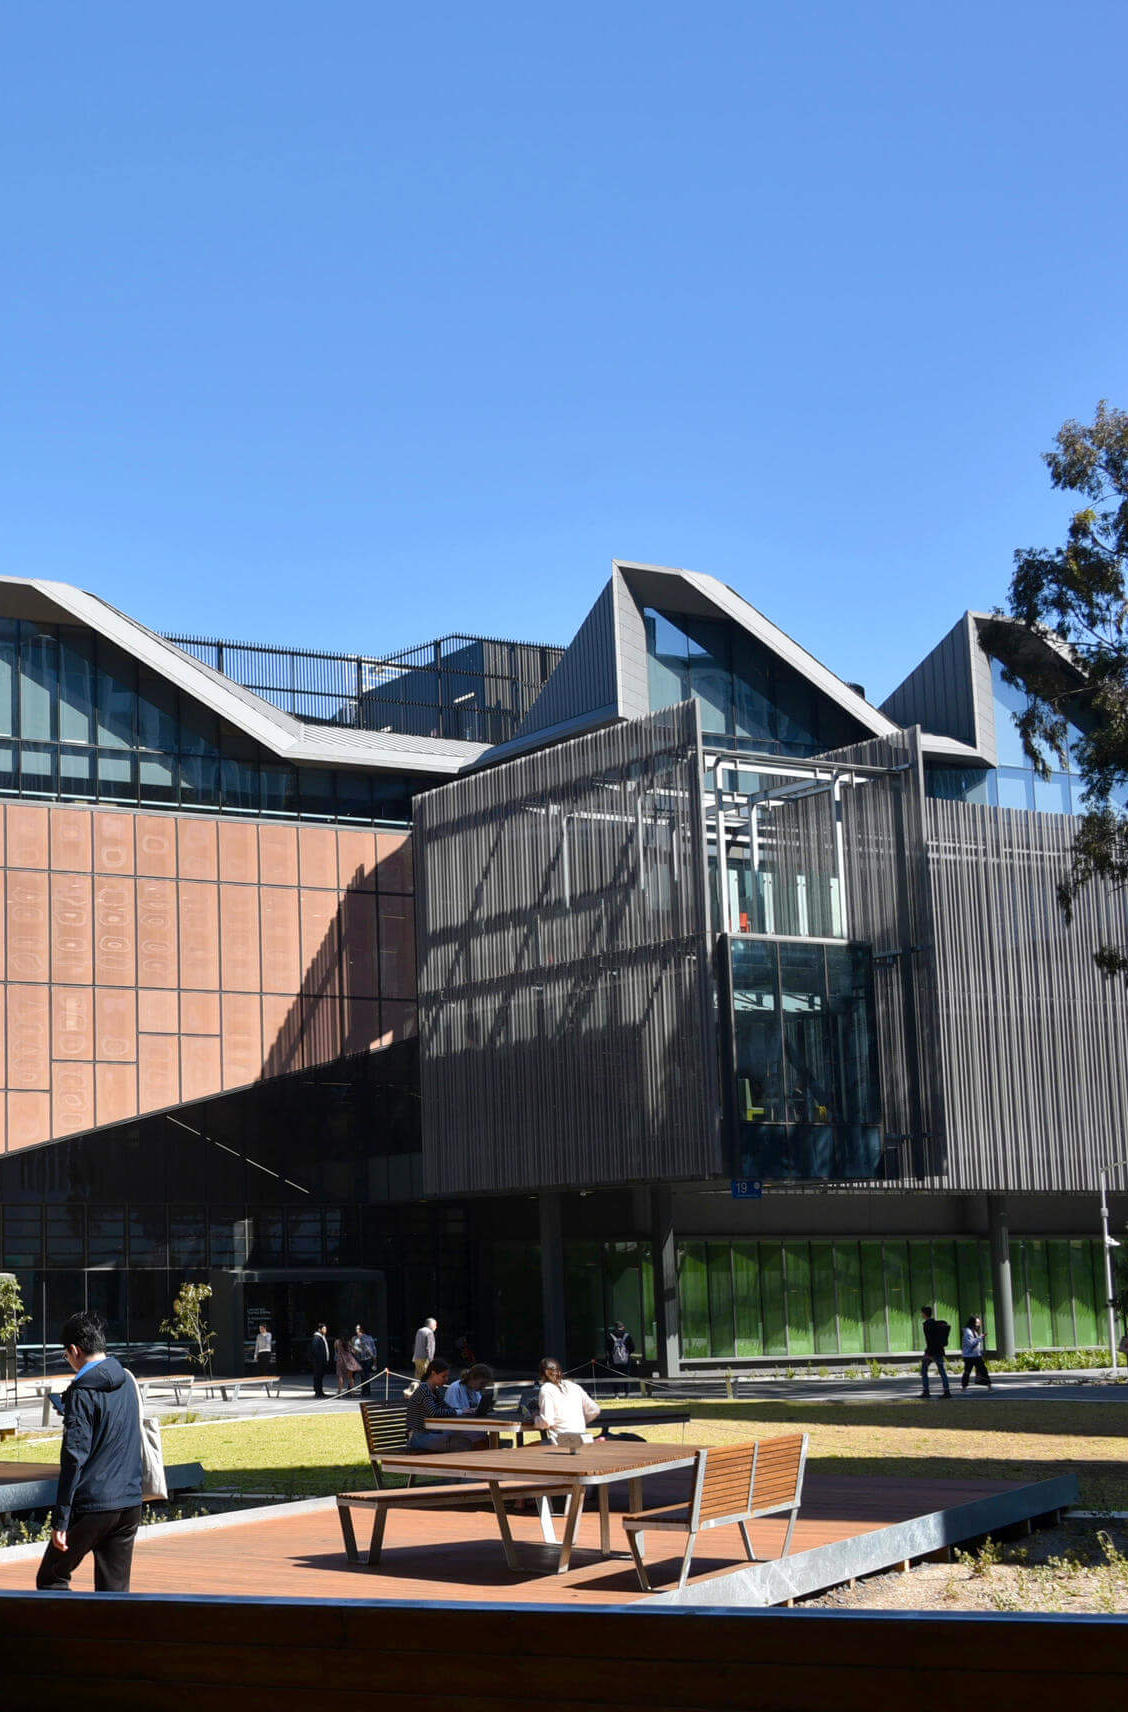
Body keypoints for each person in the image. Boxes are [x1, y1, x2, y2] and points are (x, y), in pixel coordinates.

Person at [35, 1310, 143, 1593]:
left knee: (51, 1579)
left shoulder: (81, 1392)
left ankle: (66, 1637)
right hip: (129, 1503)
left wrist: (61, 1520)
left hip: (94, 1504)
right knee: (115, 1591)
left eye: (66, 1355)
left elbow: (74, 1458)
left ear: (74, 1350)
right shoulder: (128, 1380)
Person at [405, 1359, 486, 1451]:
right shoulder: (424, 1389)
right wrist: (459, 1411)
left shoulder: (434, 1390)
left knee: (469, 1441)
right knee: (465, 1443)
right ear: (433, 1373)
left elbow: (446, 1407)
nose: (446, 1380)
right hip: (419, 1437)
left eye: (447, 1376)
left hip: (429, 1434)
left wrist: (465, 1411)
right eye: (443, 1376)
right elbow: (434, 1412)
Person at [535, 1356, 600, 1443]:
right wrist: (579, 1421)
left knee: (526, 1448)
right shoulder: (574, 1386)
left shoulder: (546, 1389)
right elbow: (594, 1409)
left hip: (561, 1441)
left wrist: (535, 1418)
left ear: (542, 1375)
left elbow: (547, 1422)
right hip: (581, 1438)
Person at [919, 1304, 952, 1398]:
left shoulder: (927, 1325)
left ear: (924, 1314)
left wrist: (928, 1353)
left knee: (924, 1370)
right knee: (942, 1371)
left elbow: (930, 1340)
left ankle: (926, 1391)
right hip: (939, 1350)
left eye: (922, 1313)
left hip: (931, 1351)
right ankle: (947, 1391)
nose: (921, 1314)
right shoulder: (935, 1323)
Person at [960, 1315, 992, 1390]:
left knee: (983, 1370)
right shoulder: (968, 1332)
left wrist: (980, 1351)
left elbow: (976, 1343)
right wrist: (980, 1337)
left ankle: (989, 1385)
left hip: (976, 1355)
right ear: (973, 1323)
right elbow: (971, 1343)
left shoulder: (974, 1331)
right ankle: (964, 1386)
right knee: (967, 1371)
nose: (978, 1325)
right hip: (969, 1356)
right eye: (977, 1323)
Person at [605, 1321, 634, 1394]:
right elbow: (633, 1348)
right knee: (626, 1375)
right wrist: (627, 1353)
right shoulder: (627, 1336)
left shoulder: (610, 1336)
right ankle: (627, 1393)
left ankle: (616, 1394)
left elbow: (607, 1348)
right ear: (623, 1327)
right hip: (626, 1360)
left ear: (615, 1328)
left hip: (614, 1360)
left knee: (615, 1376)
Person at [351, 1324, 377, 1397]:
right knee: (364, 1375)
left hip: (366, 1359)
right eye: (356, 1329)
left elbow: (373, 1349)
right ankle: (366, 1391)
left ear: (362, 1329)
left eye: (358, 1329)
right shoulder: (355, 1338)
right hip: (361, 1359)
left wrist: (374, 1360)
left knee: (365, 1375)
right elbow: (353, 1350)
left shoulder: (368, 1338)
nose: (356, 1330)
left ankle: (366, 1391)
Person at [334, 1330, 360, 1397]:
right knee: (350, 1377)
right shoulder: (349, 1342)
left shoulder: (337, 1342)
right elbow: (354, 1351)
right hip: (349, 1360)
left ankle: (339, 1393)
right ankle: (352, 1393)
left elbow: (336, 1351)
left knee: (341, 1377)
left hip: (340, 1360)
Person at [412, 1317, 437, 1381]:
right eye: (435, 1325)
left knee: (418, 1377)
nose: (436, 1327)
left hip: (417, 1357)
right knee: (427, 1378)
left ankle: (413, 1390)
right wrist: (431, 1361)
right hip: (425, 1359)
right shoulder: (429, 1332)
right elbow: (429, 1348)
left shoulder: (419, 1331)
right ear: (431, 1325)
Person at [311, 1323, 331, 1399]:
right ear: (320, 1329)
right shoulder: (317, 1338)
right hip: (318, 1362)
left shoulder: (322, 1337)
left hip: (322, 1361)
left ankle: (320, 1391)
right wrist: (320, 1360)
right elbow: (315, 1351)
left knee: (320, 1377)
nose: (325, 1330)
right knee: (317, 1376)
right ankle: (317, 1392)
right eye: (324, 1329)